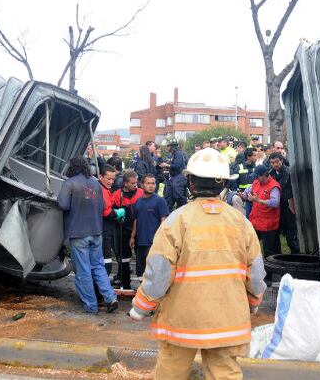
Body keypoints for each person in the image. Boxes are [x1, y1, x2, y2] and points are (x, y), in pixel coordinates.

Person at [129, 148, 266, 380]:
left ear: (190, 182)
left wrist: (141, 307)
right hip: (227, 320)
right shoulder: (241, 223)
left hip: (182, 322)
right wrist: (253, 302)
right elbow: (255, 273)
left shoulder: (177, 221)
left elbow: (159, 273)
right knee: (224, 374)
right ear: (223, 182)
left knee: (171, 373)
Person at [57, 156, 118, 314]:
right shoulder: (95, 183)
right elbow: (102, 206)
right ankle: (110, 298)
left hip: (78, 233)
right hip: (96, 231)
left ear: (72, 167)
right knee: (98, 266)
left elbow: (62, 204)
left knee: (83, 270)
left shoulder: (70, 183)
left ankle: (91, 306)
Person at [129, 173, 169, 278]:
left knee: (152, 272)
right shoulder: (138, 202)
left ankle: (152, 294)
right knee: (140, 272)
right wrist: (132, 237)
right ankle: (141, 293)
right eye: (148, 183)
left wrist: (161, 240)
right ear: (142, 185)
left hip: (153, 243)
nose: (151, 186)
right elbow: (136, 220)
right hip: (140, 242)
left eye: (153, 183)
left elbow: (163, 221)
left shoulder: (160, 201)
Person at [112, 170, 144, 289]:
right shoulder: (116, 195)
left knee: (142, 258)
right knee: (123, 259)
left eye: (136, 182)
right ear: (125, 183)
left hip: (139, 230)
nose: (135, 185)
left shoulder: (141, 193)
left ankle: (144, 287)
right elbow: (111, 211)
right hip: (123, 230)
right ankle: (125, 284)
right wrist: (117, 215)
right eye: (132, 183)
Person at [243, 165, 282, 264]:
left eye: (258, 176)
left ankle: (271, 273)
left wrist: (258, 200)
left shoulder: (274, 186)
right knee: (250, 246)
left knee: (269, 251)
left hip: (268, 224)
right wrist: (245, 195)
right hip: (256, 222)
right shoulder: (256, 182)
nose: (256, 179)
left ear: (265, 175)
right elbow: (247, 191)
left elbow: (275, 202)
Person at [269, 152, 300, 254]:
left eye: (276, 162)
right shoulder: (271, 174)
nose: (275, 165)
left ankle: (296, 254)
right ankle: (277, 255)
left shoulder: (289, 172)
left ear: (281, 161)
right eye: (272, 162)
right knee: (276, 232)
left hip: (288, 206)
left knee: (291, 233)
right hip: (276, 207)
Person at [99, 165, 126, 281]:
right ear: (101, 177)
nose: (111, 182)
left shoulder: (106, 189)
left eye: (113, 179)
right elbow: (106, 213)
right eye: (108, 179)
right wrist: (117, 214)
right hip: (104, 230)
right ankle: (101, 288)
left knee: (105, 259)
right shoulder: (103, 190)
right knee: (106, 260)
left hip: (106, 229)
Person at [229, 147, 257, 216]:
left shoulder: (256, 168)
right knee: (244, 216)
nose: (256, 157)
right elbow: (233, 180)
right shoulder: (240, 167)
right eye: (254, 155)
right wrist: (237, 191)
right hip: (242, 196)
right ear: (248, 157)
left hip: (253, 197)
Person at [161, 139, 187, 211]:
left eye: (168, 146)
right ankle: (168, 214)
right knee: (168, 197)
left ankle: (184, 209)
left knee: (177, 194)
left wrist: (167, 165)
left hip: (179, 176)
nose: (167, 147)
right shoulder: (172, 154)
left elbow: (177, 165)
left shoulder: (178, 153)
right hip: (172, 177)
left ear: (172, 146)